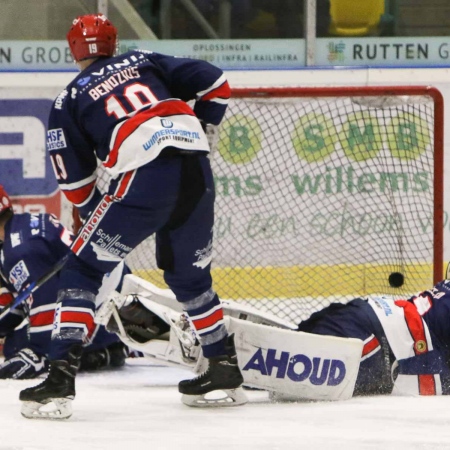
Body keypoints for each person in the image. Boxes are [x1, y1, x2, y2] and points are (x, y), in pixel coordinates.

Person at [19, 13, 243, 419]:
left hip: (145, 177)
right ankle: (223, 366)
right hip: (197, 173)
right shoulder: (143, 60)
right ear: (112, 41)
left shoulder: (68, 99)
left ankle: (58, 379)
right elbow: (216, 83)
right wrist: (206, 130)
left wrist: (91, 223)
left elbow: (77, 184)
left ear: (73, 48)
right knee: (189, 278)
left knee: (82, 270)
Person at [103, 276, 450, 399]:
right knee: (265, 370)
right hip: (369, 344)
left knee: (276, 355)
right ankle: (172, 331)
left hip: (366, 325)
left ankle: (185, 328)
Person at [0, 185, 129, 380]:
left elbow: (46, 300)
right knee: (14, 343)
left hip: (105, 302)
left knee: (17, 346)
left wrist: (39, 353)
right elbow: (20, 299)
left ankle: (109, 345)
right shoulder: (18, 230)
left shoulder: (21, 250)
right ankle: (106, 346)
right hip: (105, 286)